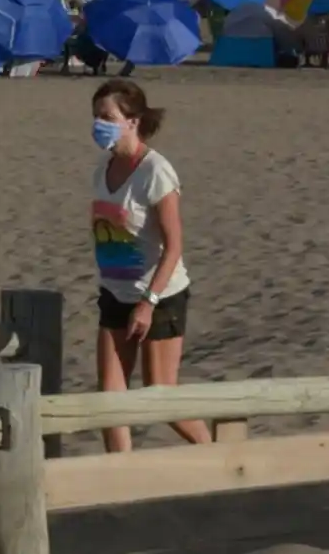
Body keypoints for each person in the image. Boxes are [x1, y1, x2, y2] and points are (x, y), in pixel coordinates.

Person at [89, 80, 210, 452]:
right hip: (115, 294)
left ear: (133, 121)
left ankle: (219, 455)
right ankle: (120, 481)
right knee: (110, 402)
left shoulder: (156, 171)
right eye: (95, 117)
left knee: (160, 397)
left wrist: (148, 302)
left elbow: (174, 247)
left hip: (160, 296)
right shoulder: (104, 169)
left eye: (107, 117)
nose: (99, 124)